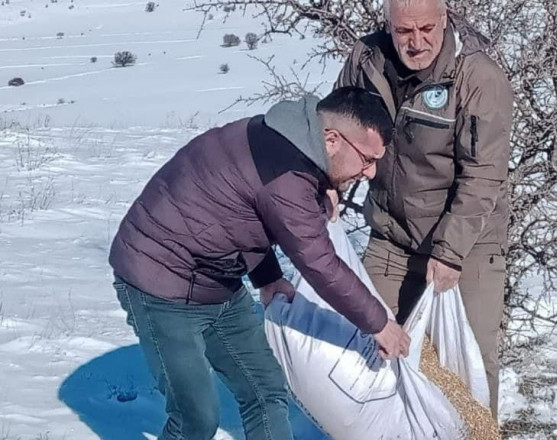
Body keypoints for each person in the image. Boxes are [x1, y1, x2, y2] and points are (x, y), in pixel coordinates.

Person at [108, 87, 411, 440]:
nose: (371, 173)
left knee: (266, 391)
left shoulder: (288, 137)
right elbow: (318, 262)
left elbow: (239, 210)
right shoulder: (286, 173)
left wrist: (267, 277)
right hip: (158, 284)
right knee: (196, 418)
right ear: (331, 140)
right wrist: (378, 323)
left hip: (215, 281)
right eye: (366, 159)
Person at [335, 0, 514, 416]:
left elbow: (484, 174)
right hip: (392, 237)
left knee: (467, 372)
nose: (417, 43)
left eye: (427, 29)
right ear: (388, 26)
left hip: (467, 246)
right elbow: (336, 130)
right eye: (404, 32)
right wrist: (328, 185)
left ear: (445, 19)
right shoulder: (366, 61)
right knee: (364, 351)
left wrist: (449, 251)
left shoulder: (477, 78)